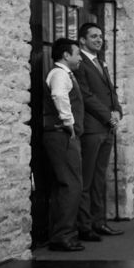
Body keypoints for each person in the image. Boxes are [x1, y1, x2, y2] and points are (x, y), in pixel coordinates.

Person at [75, 22, 124, 238]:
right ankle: (84, 226)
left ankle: (99, 221)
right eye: (93, 36)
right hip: (93, 128)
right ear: (82, 40)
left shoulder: (101, 63)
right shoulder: (80, 64)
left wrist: (117, 111)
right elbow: (86, 95)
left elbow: (109, 91)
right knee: (87, 179)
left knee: (100, 178)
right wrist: (107, 116)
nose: (99, 39)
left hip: (107, 128)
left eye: (101, 36)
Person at [42, 38, 85, 252]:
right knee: (70, 184)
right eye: (77, 53)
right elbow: (58, 95)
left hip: (61, 134)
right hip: (61, 134)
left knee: (65, 184)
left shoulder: (65, 74)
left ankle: (63, 233)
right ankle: (63, 235)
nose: (79, 58)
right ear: (66, 55)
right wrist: (69, 123)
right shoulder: (59, 74)